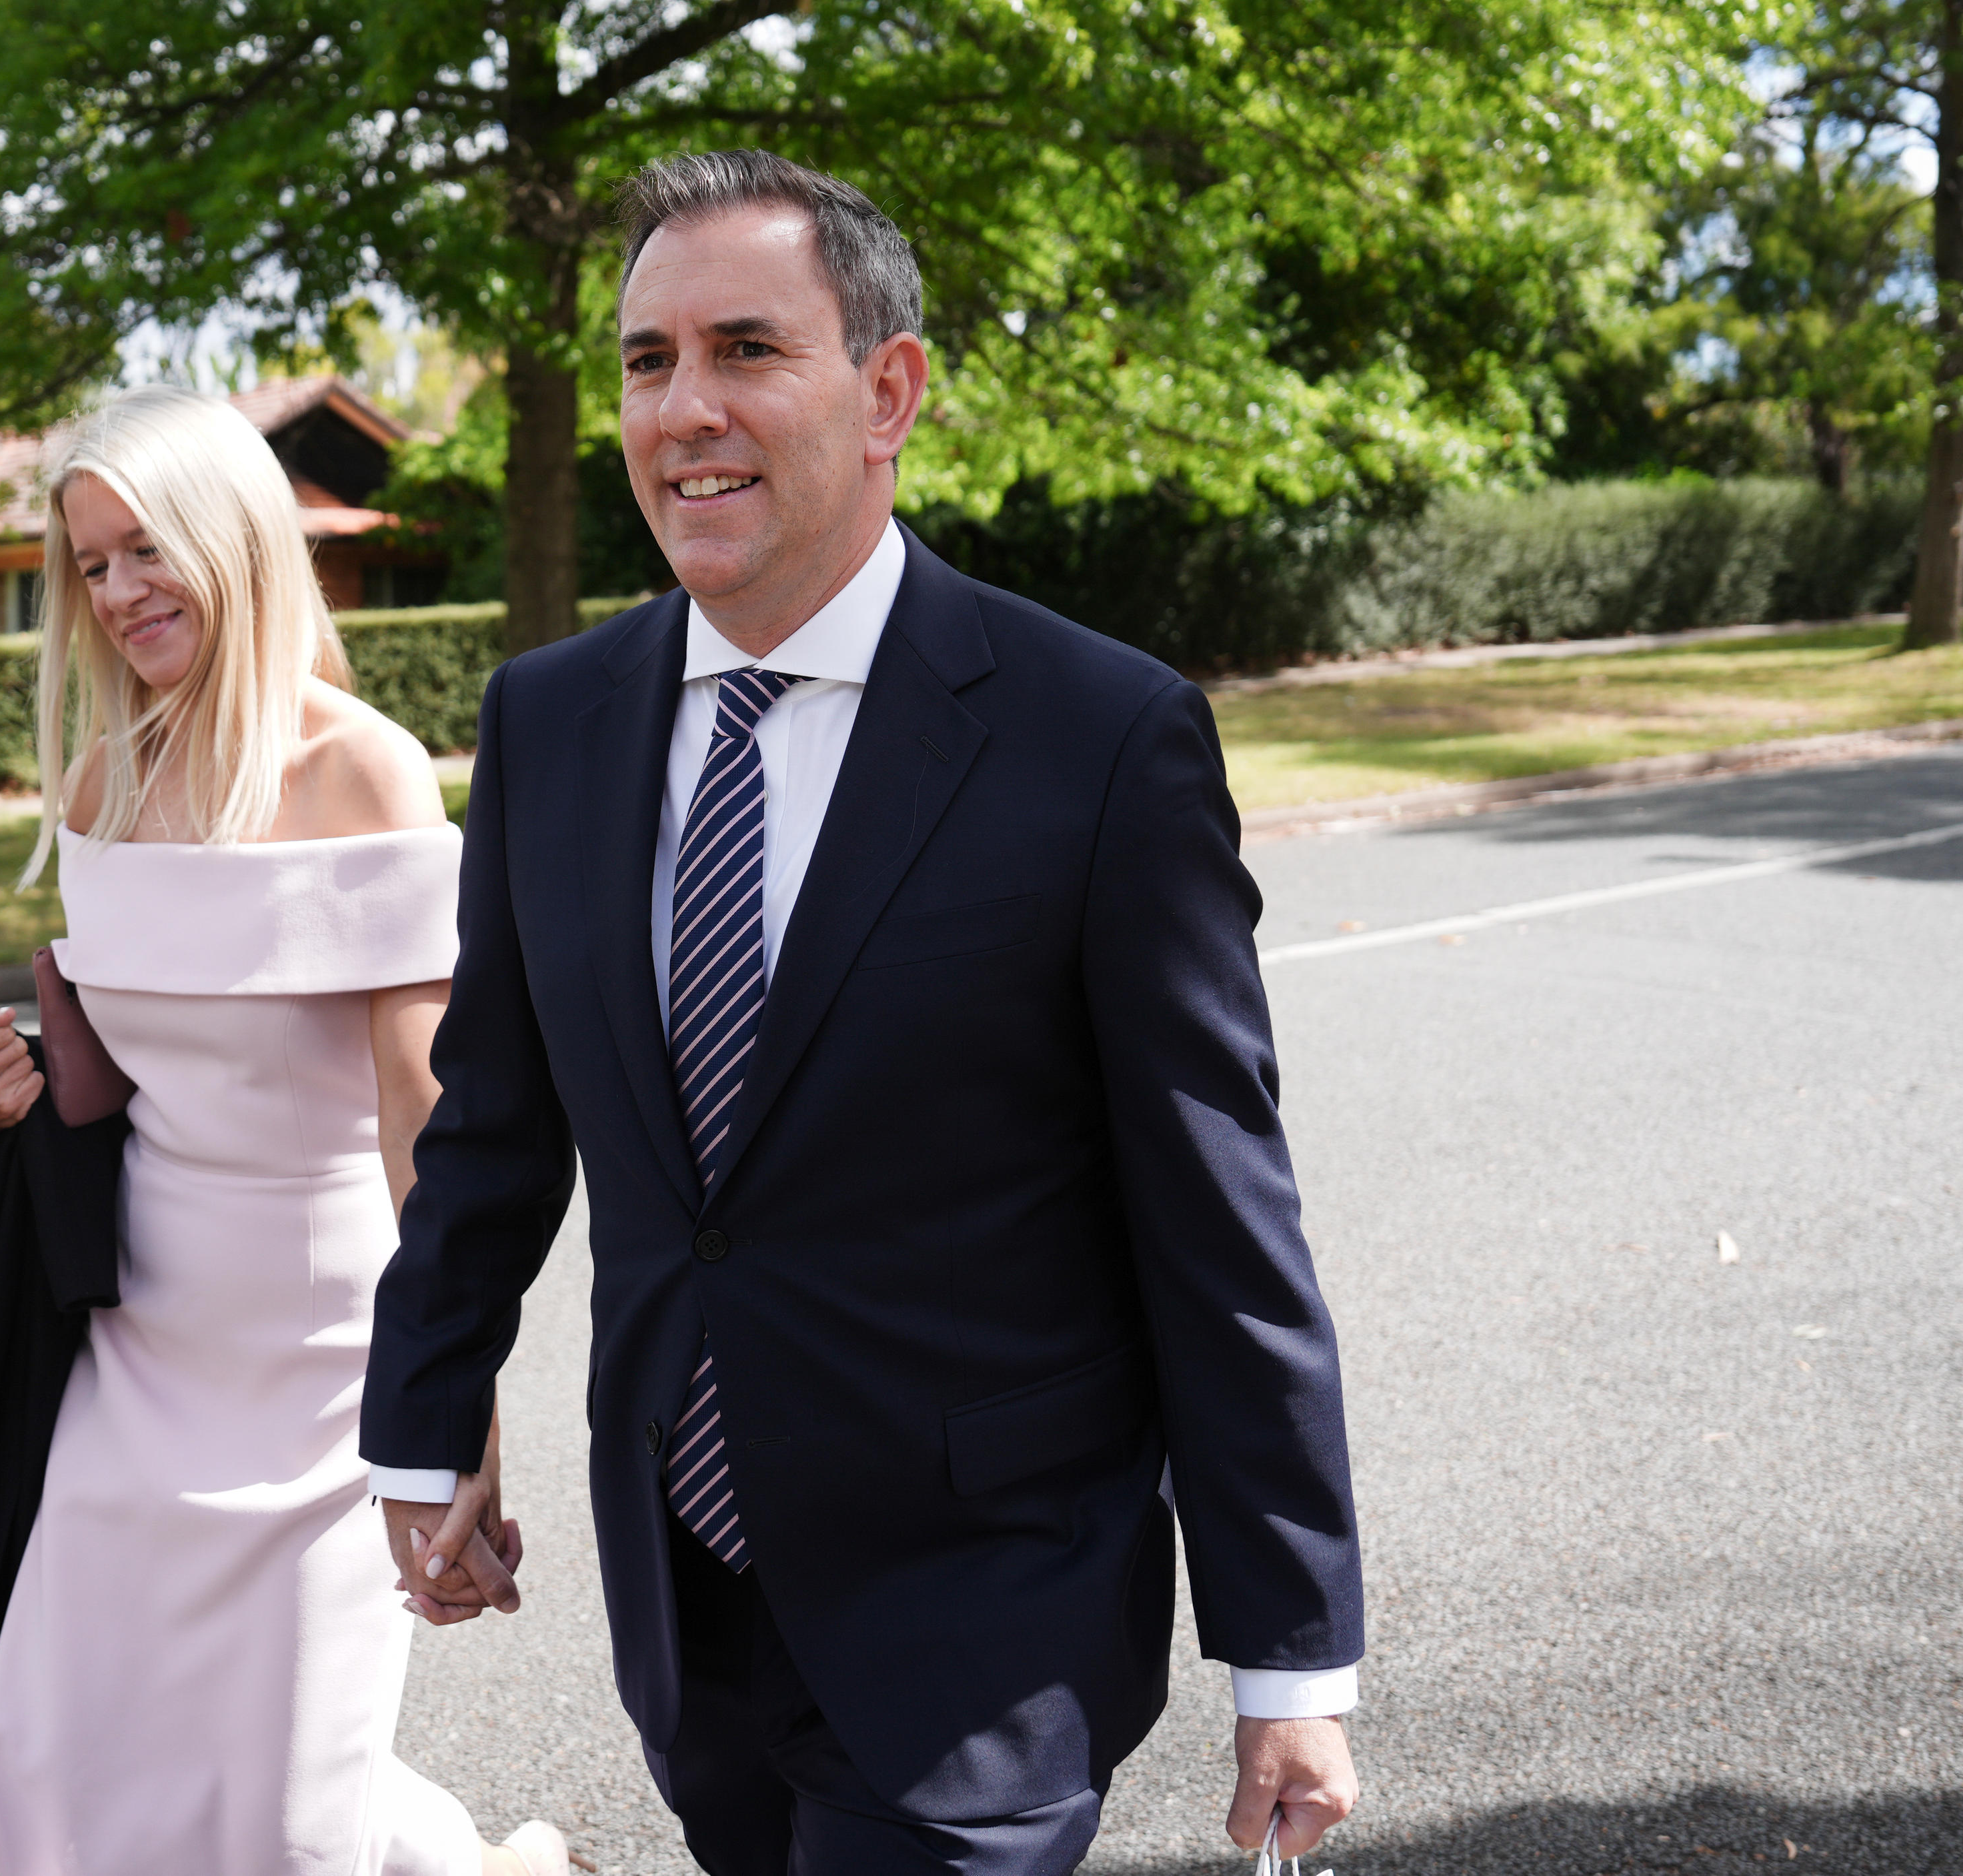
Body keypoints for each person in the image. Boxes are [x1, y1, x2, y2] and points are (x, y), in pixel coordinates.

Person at [359, 151, 1368, 1875]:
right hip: (693, 1601)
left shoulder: (1099, 739)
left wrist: (1289, 1654)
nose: (686, 409)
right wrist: (426, 1409)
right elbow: (496, 1114)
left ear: (889, 388)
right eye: (647, 360)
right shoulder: (552, 724)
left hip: (991, 1613)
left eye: (747, 348)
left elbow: (1221, 1225)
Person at [0, 385, 567, 1876]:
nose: (121, 591)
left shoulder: (365, 771)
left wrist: (453, 1415)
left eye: (148, 548)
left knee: (283, 1817)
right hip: (134, 1364)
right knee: (52, 1770)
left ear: (236, 538)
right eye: (92, 565)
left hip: (324, 1378)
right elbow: (118, 1091)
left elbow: (427, 1116)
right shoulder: (99, 786)